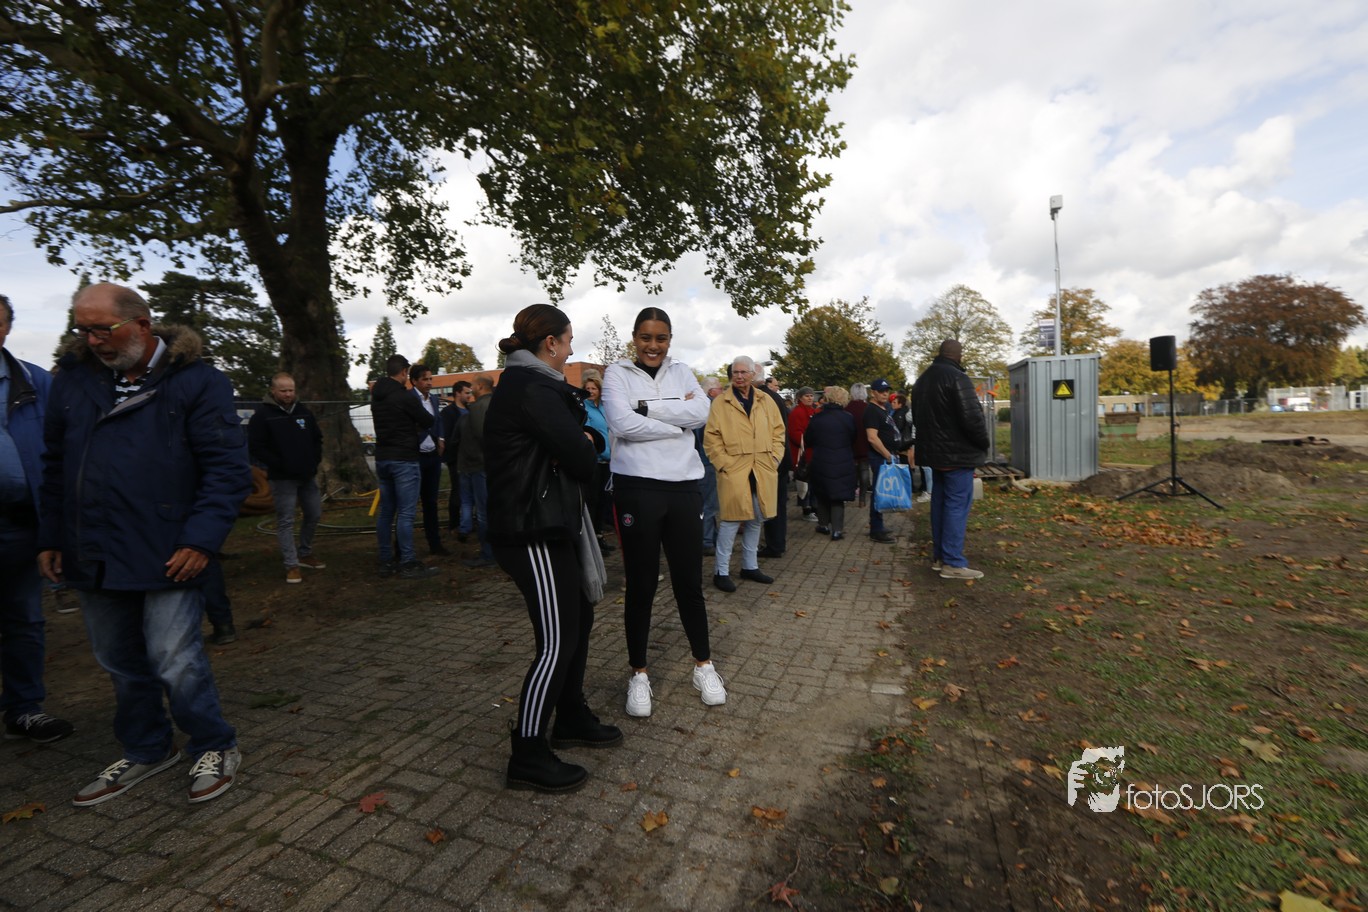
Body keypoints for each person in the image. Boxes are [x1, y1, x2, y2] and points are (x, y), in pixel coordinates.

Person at [38, 282, 248, 805]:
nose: (92, 341)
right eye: (83, 330)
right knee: (119, 660)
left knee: (175, 658)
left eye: (102, 330)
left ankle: (213, 743)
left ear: (142, 324)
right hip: (92, 549)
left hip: (168, 548)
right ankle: (148, 747)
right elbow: (54, 466)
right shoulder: (73, 382)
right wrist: (52, 536)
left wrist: (201, 540)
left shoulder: (197, 382)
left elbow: (226, 470)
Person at [484, 304, 620, 793]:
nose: (571, 349)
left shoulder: (535, 385)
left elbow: (581, 444)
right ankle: (527, 753)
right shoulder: (532, 387)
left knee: (579, 617)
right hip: (531, 529)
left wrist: (583, 440)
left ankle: (571, 715)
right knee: (558, 639)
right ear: (550, 344)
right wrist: (584, 441)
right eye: (568, 341)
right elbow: (583, 457)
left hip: (549, 523)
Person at [602, 308, 722, 718]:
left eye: (661, 338)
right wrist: (676, 420)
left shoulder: (683, 371)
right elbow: (621, 424)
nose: (653, 346)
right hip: (637, 488)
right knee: (641, 585)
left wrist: (646, 409)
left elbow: (701, 414)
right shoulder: (616, 374)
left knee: (689, 583)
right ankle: (639, 673)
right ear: (634, 337)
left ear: (670, 339)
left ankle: (703, 666)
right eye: (646, 337)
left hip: (684, 488)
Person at [0, 293, 74, 744]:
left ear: (7, 328)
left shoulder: (36, 382)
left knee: (23, 620)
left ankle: (24, 708)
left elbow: (63, 449)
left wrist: (57, 524)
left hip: (20, 525)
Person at [704, 355, 786, 592]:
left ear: (752, 374)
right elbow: (711, 438)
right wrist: (724, 464)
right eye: (735, 372)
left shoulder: (765, 400)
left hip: (761, 468)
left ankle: (750, 566)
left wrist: (774, 459)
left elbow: (778, 432)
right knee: (730, 521)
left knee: (756, 519)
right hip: (734, 471)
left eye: (743, 372)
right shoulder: (721, 402)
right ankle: (721, 571)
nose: (739, 377)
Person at [911, 340, 991, 579]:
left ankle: (940, 557)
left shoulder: (922, 381)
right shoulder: (958, 378)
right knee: (956, 505)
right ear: (958, 355)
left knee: (940, 504)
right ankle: (953, 562)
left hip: (935, 455)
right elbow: (972, 418)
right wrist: (983, 442)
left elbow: (918, 418)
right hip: (958, 454)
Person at [248, 371, 325, 584]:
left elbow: (317, 439)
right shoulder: (262, 416)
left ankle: (305, 553)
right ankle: (291, 565)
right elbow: (256, 446)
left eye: (291, 390)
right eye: (283, 391)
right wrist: (279, 464)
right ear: (273, 391)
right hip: (282, 478)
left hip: (307, 475)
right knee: (286, 520)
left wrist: (314, 460)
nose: (288, 394)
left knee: (314, 514)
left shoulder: (304, 412)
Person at [370, 354, 439, 579]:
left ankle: (385, 560)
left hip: (382, 458)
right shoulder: (404, 396)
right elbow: (428, 420)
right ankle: (408, 561)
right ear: (403, 372)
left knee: (386, 512)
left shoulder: (377, 396)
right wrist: (413, 424)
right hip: (404, 458)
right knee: (407, 513)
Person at [803, 386, 858, 540]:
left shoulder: (817, 417)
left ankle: (823, 524)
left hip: (821, 460)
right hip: (843, 460)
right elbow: (853, 437)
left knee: (822, 493)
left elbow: (808, 439)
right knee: (838, 496)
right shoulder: (848, 418)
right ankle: (837, 530)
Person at [409, 363, 450, 557]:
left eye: (430, 379)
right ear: (414, 381)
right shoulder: (409, 398)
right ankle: (402, 547)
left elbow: (438, 420)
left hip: (432, 455)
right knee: (409, 503)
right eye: (424, 379)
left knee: (431, 502)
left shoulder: (433, 399)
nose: (429, 382)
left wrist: (441, 438)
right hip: (415, 456)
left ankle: (435, 543)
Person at [458, 375, 496, 569]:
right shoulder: (495, 403)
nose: (470, 388)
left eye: (472, 385)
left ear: (480, 386)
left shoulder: (479, 407)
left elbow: (483, 438)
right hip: (486, 465)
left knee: (483, 512)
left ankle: (488, 554)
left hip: (480, 466)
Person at [579, 370, 615, 554]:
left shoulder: (604, 407)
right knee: (592, 501)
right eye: (588, 388)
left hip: (608, 462)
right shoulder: (583, 409)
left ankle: (600, 537)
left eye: (594, 388)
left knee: (603, 501)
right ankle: (592, 543)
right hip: (594, 461)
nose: (591, 391)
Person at [757, 369, 791, 558]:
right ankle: (777, 543)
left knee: (772, 503)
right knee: (777, 504)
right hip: (780, 457)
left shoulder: (764, 398)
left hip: (772, 459)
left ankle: (774, 545)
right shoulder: (774, 397)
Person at [862, 378, 899, 544]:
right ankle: (876, 529)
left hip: (885, 456)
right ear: (873, 393)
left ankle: (877, 525)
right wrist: (887, 455)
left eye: (887, 391)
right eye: (881, 391)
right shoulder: (871, 411)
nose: (885, 394)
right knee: (879, 493)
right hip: (880, 457)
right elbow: (872, 437)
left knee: (882, 491)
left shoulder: (882, 408)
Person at [440, 379, 474, 538]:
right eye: (467, 393)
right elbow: (447, 437)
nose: (469, 396)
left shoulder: (471, 410)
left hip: (471, 459)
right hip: (456, 459)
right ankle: (454, 524)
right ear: (457, 393)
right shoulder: (448, 413)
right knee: (457, 491)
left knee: (470, 492)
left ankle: (467, 522)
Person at [695, 377, 723, 551]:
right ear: (712, 391)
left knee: (706, 502)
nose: (722, 391)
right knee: (709, 504)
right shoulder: (711, 408)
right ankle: (707, 540)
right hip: (708, 461)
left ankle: (711, 536)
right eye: (720, 388)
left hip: (701, 460)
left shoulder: (699, 407)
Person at [788, 386, 819, 522]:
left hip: (813, 451)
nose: (810, 398)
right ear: (800, 398)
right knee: (804, 483)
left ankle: (814, 507)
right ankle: (807, 509)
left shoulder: (814, 411)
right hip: (803, 453)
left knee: (813, 482)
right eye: (807, 396)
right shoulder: (797, 413)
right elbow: (795, 433)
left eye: (811, 395)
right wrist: (809, 440)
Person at [846, 383, 872, 506]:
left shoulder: (847, 408)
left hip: (851, 444)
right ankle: (862, 498)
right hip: (865, 443)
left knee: (852, 471)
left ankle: (850, 495)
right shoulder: (868, 408)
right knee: (864, 470)